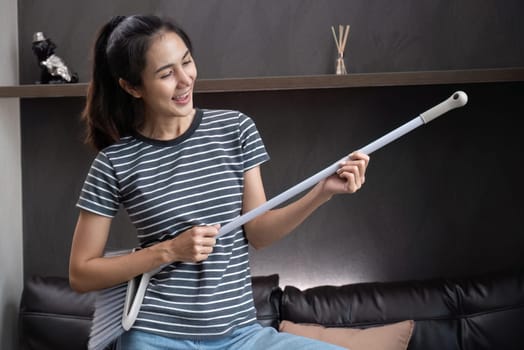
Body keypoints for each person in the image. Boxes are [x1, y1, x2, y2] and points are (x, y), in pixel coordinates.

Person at [69, 15, 369, 350]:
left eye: (187, 62)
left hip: (241, 335)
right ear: (132, 87)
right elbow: (82, 273)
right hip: (156, 337)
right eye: (167, 74)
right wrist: (169, 250)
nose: (185, 80)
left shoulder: (235, 130)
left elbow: (258, 232)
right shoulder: (114, 162)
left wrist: (321, 193)